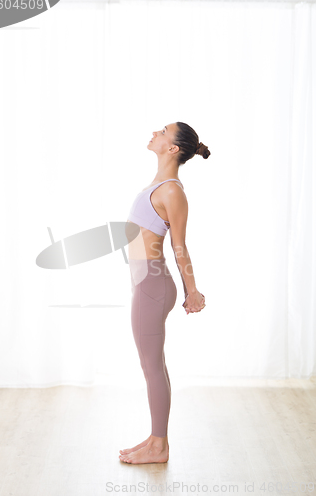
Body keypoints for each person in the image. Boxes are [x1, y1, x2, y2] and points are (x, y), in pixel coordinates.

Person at [119, 121, 211, 464]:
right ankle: (156, 439)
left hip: (153, 287)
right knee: (152, 365)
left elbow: (179, 246)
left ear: (173, 148)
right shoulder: (158, 184)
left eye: (162, 131)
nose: (154, 132)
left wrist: (194, 291)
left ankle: (160, 447)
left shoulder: (173, 191)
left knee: (152, 367)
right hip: (147, 284)